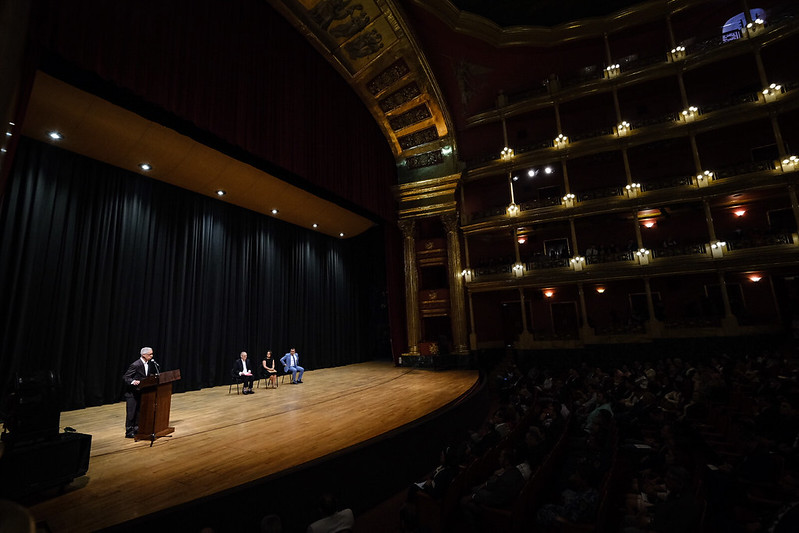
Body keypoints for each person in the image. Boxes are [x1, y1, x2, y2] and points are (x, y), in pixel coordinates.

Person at [122, 346, 155, 438]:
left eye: (152, 354)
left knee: (139, 412)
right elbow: (126, 377)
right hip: (132, 393)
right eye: (150, 354)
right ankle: (129, 431)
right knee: (131, 413)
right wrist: (133, 381)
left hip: (141, 392)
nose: (152, 356)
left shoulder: (149, 364)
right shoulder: (136, 364)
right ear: (144, 355)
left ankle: (137, 428)